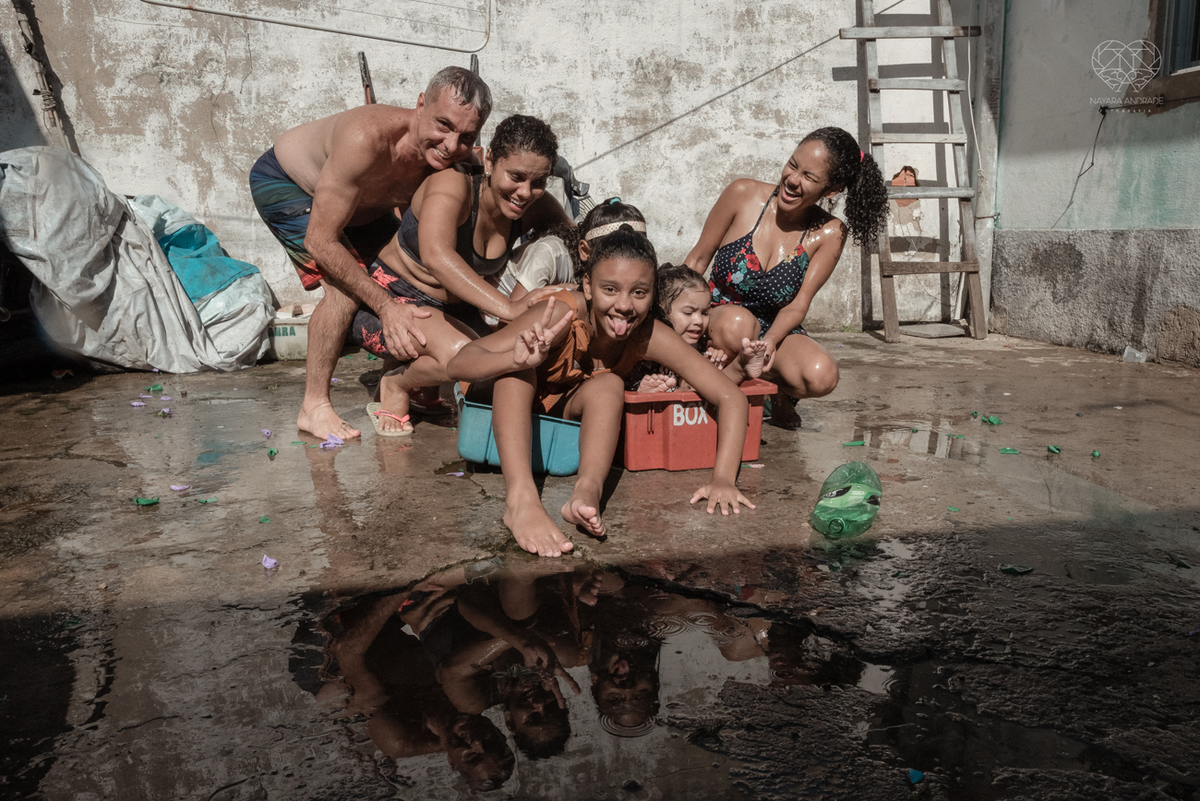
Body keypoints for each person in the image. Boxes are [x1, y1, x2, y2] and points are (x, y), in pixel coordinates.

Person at [447, 226, 755, 558]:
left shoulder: (649, 334)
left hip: (554, 416)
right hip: (499, 402)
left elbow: (730, 396)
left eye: (639, 292)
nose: (624, 305)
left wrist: (724, 478)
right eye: (610, 289)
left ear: (654, 295)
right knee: (519, 369)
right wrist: (513, 358)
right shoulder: (560, 312)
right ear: (587, 286)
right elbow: (459, 362)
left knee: (610, 384)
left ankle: (586, 493)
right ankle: (521, 502)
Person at [250, 66, 491, 441]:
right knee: (345, 290)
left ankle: (396, 387)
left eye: (466, 136)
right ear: (420, 104)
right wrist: (386, 307)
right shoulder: (366, 139)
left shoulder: (454, 159)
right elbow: (321, 242)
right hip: (287, 184)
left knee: (405, 276)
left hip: (361, 207)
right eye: (443, 125)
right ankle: (313, 406)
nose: (450, 144)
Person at [347, 115, 573, 436]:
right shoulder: (453, 184)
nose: (525, 192)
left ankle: (421, 386)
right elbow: (438, 258)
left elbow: (578, 244)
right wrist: (509, 309)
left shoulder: (536, 206)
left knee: (496, 358)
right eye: (517, 176)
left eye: (538, 182)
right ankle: (395, 385)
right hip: (390, 303)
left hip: (449, 311)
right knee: (465, 357)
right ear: (491, 159)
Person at [684, 126, 888, 428]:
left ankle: (776, 393)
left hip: (772, 327)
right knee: (739, 323)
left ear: (830, 191)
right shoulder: (742, 194)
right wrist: (673, 317)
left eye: (809, 177)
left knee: (821, 374)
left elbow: (798, 304)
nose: (792, 180)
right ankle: (729, 391)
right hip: (717, 317)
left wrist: (768, 344)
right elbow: (697, 260)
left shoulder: (830, 232)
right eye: (793, 165)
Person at [629, 264, 768, 393]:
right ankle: (740, 369)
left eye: (705, 313)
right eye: (688, 313)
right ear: (661, 312)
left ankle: (742, 366)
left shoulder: (696, 348)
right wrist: (642, 391)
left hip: (689, 408)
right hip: (653, 404)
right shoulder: (648, 344)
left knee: (710, 383)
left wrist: (713, 365)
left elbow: (712, 386)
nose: (699, 321)